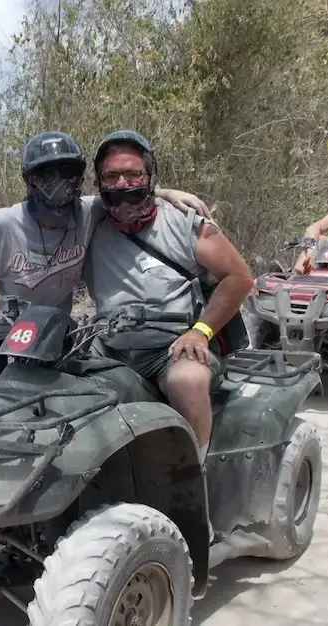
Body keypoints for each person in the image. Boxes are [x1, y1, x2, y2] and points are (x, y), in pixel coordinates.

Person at [0, 130, 212, 384]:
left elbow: (124, 192)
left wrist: (168, 193)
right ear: (30, 179)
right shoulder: (2, 224)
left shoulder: (87, 212)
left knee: (42, 405)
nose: (60, 182)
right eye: (48, 174)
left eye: (68, 172)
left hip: (46, 331)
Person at [82, 130, 254, 465]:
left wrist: (201, 332)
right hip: (111, 347)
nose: (122, 184)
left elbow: (239, 277)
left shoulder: (185, 222)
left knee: (187, 381)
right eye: (112, 176)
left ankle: (195, 471)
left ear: (148, 176)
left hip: (174, 346)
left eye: (133, 174)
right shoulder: (90, 221)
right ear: (99, 182)